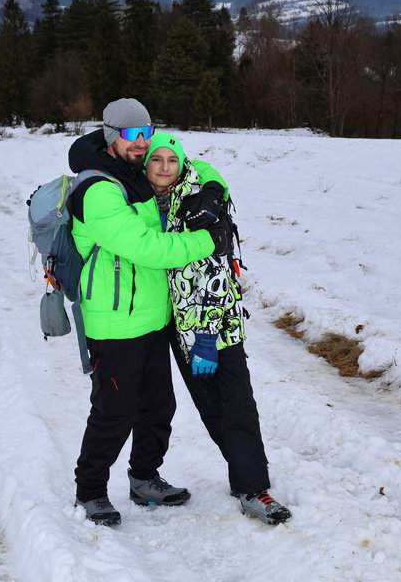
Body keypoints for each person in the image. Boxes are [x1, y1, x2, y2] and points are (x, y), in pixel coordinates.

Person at [67, 98, 232, 526]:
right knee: (114, 411)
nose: (142, 145)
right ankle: (90, 491)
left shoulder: (135, 170)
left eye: (146, 134)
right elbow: (147, 249)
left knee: (159, 407)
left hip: (154, 318)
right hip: (115, 321)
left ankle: (144, 478)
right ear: (111, 136)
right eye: (131, 136)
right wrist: (207, 241)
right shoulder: (97, 190)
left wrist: (212, 193)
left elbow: (194, 166)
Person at [144, 131, 292, 525]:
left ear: (181, 164)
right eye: (156, 160)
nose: (163, 167)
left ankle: (254, 488)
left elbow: (211, 271)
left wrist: (207, 337)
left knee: (236, 403)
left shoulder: (198, 202)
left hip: (215, 326)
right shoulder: (148, 201)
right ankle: (243, 473)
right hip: (180, 327)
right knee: (210, 407)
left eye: (171, 160)